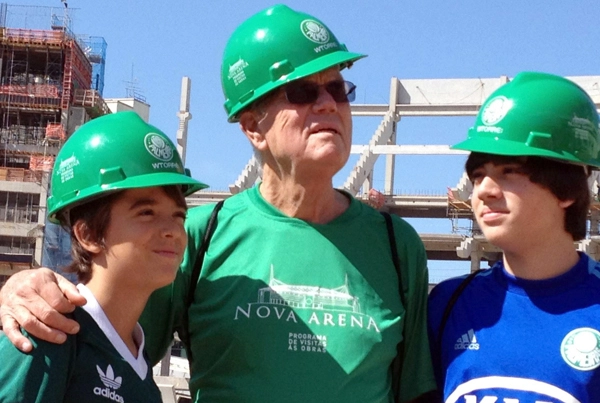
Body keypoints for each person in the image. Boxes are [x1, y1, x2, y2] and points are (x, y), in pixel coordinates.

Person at [0, 5, 437, 402]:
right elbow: (107, 340)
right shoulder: (196, 239)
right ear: (253, 127)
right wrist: (27, 291)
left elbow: (416, 392)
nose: (327, 103)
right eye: (303, 92)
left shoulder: (398, 249)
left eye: (339, 89)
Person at [0, 111, 207, 402]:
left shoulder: (139, 365)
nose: (172, 230)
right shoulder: (46, 335)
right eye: (146, 213)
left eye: (178, 216)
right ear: (89, 235)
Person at [427, 71, 600, 402]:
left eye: (509, 173)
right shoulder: (448, 304)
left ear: (566, 189)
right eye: (478, 176)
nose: (484, 192)